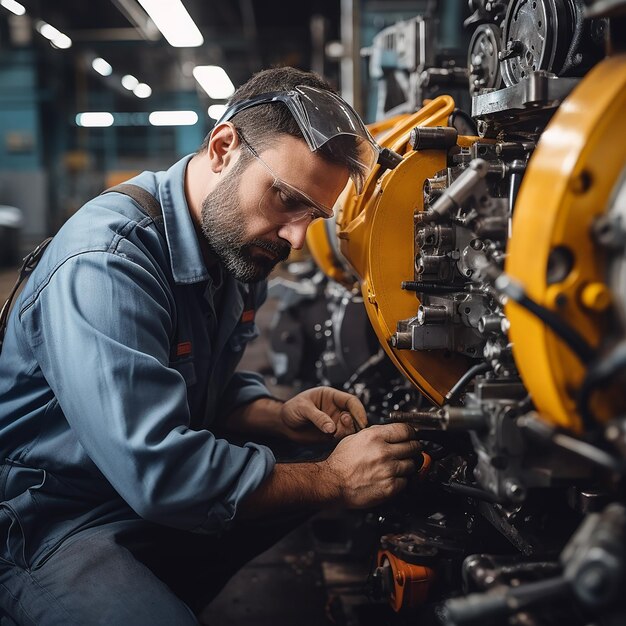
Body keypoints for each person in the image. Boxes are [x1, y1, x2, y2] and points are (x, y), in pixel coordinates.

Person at [0, 67, 421, 625]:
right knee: (322, 473)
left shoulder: (237, 247)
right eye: (285, 198)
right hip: (51, 520)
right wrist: (333, 480)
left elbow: (200, 384)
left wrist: (275, 414)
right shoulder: (107, 263)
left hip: (129, 490)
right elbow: (162, 472)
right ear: (223, 148)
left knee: (313, 451)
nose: (296, 237)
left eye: (313, 217)